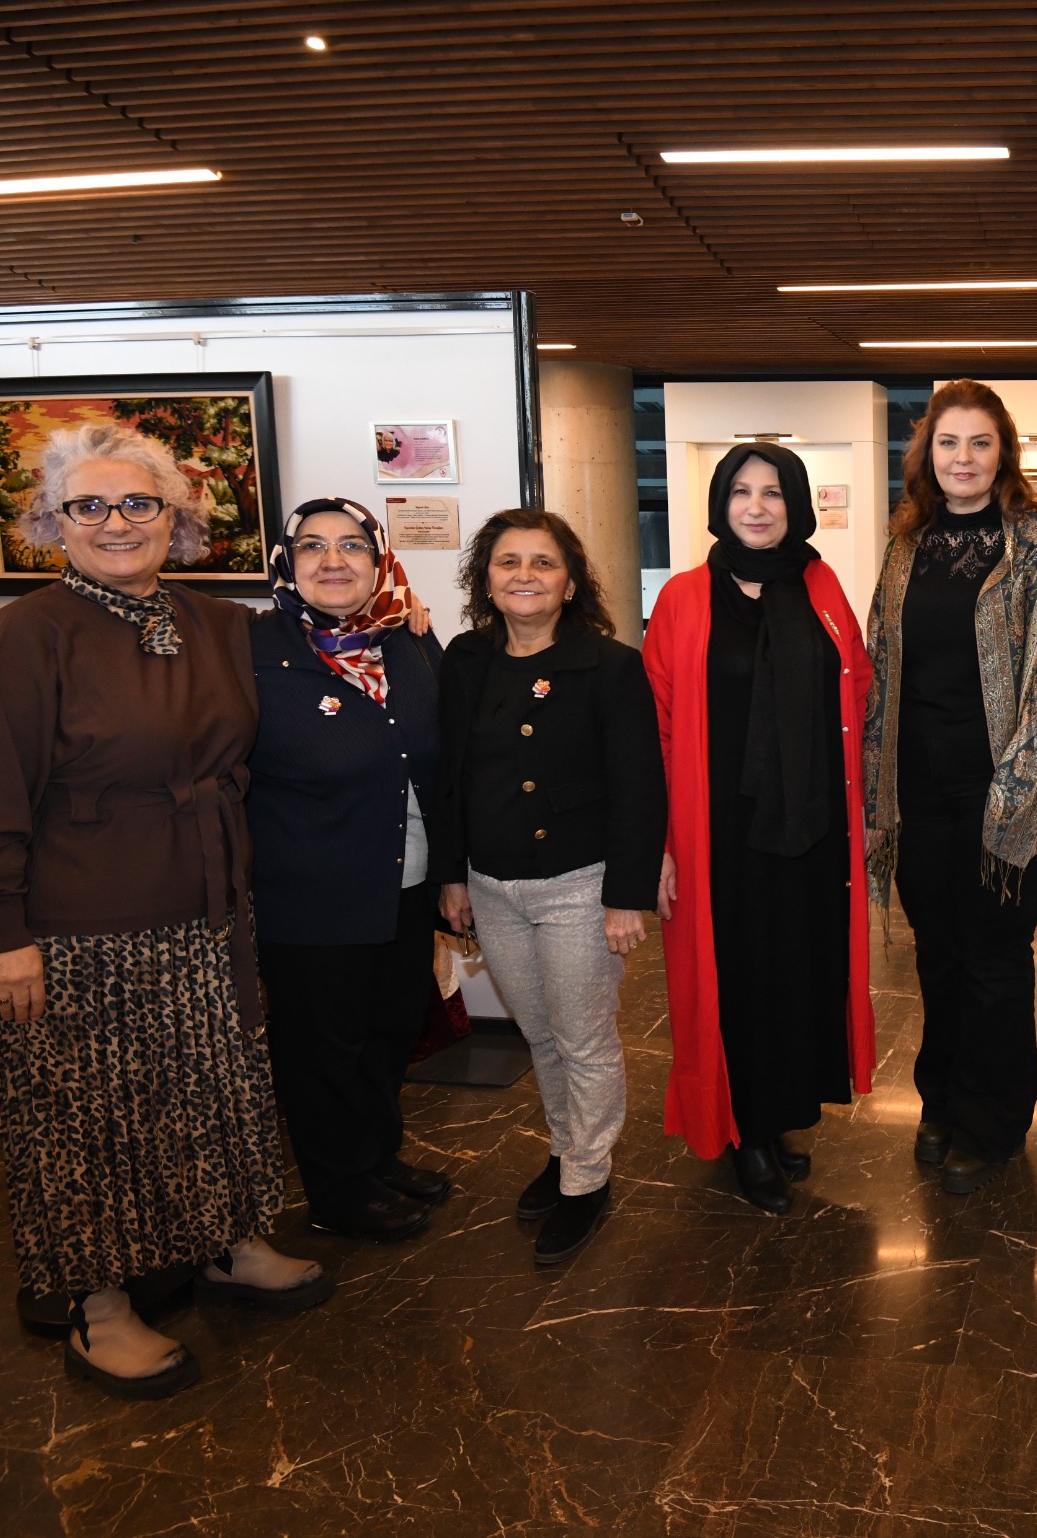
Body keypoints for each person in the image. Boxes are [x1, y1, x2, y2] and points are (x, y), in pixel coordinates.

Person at [0, 423, 329, 1402]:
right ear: (52, 523)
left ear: (175, 516)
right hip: (80, 922)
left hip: (206, 905)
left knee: (213, 1089)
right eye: (89, 505)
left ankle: (227, 1242)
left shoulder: (216, 622)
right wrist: (2, 931)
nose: (117, 522)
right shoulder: (18, 639)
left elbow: (292, 696)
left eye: (139, 502)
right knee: (90, 1118)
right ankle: (97, 1303)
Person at [865, 380, 1037, 1195]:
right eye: (949, 443)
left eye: (980, 443)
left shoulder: (1034, 545)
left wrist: (1026, 783)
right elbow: (882, 665)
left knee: (994, 958)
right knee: (938, 954)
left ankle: (993, 1119)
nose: (963, 458)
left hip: (1009, 793)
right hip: (917, 791)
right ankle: (941, 1098)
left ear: (1003, 454)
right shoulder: (906, 546)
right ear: (928, 454)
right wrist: (875, 790)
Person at [644, 444, 874, 1214]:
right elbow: (657, 726)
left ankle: (775, 1117)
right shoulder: (684, 598)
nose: (756, 506)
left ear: (795, 504)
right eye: (740, 491)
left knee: (795, 975)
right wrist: (661, 844)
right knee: (736, 981)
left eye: (773, 492)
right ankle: (741, 1132)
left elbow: (858, 688)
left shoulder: (820, 586)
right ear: (720, 503)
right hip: (719, 837)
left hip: (809, 832)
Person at [431, 510, 666, 1265]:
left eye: (543, 562)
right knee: (539, 1034)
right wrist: (451, 875)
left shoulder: (609, 666)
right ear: (486, 579)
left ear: (570, 583)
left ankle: (587, 1179)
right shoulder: (466, 658)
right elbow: (450, 777)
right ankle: (567, 1150)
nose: (524, 575)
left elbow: (639, 786)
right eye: (508, 562)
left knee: (583, 1039)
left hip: (578, 886)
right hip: (491, 886)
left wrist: (626, 894)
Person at [248, 497, 449, 1245]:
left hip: (405, 882)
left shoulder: (411, 641)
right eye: (312, 546)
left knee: (389, 1031)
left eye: (352, 546)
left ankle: (376, 1158)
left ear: (379, 558)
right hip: (311, 894)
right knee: (323, 1051)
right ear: (286, 562)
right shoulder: (253, 648)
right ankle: (337, 1191)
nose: (333, 561)